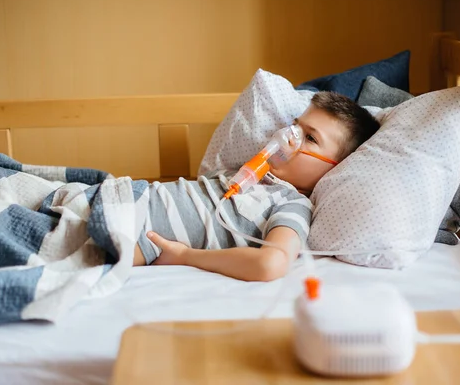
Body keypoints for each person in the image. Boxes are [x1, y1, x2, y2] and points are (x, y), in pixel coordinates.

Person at [133, 92, 380, 282]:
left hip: (132, 230)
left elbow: (270, 263)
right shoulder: (237, 173)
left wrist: (186, 257)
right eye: (295, 126)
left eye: (310, 138)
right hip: (126, 194)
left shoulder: (292, 204)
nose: (289, 136)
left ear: (334, 168)